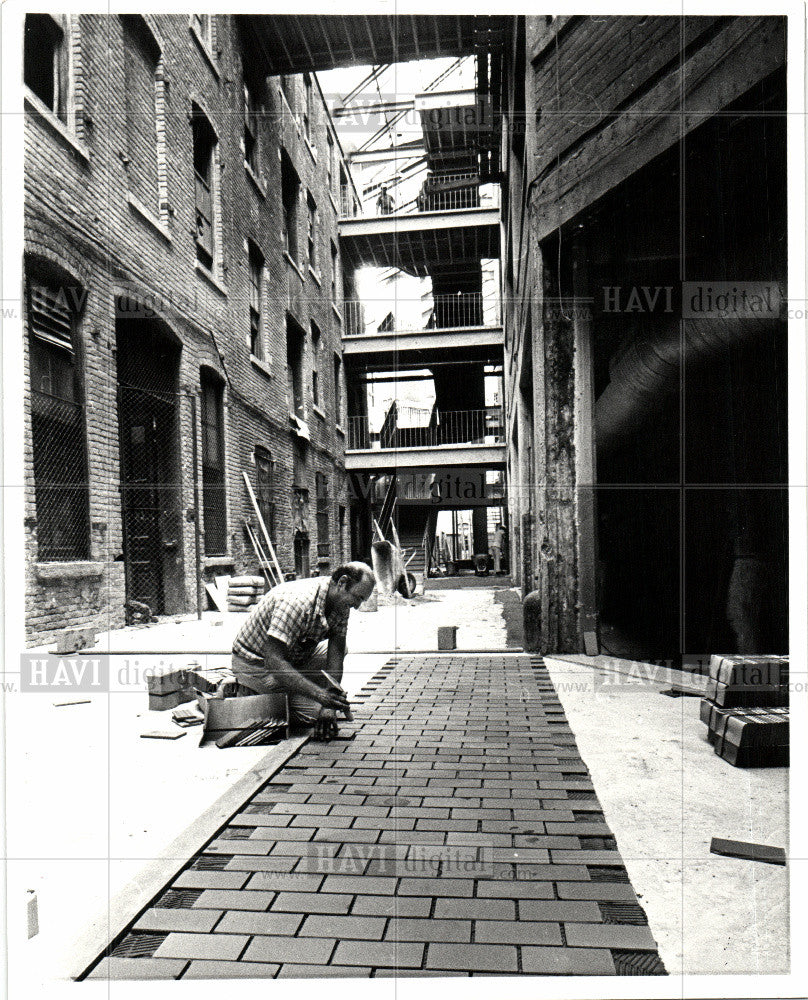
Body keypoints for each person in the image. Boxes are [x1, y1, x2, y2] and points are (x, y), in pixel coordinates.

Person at [231, 562, 376, 740]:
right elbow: (274, 662)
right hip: (255, 663)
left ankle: (287, 687)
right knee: (313, 714)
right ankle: (249, 693)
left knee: (340, 654)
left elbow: (336, 651)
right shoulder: (296, 602)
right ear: (342, 582)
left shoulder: (341, 604)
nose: (357, 606)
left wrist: (331, 699)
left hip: (291, 656)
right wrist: (320, 696)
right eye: (358, 597)